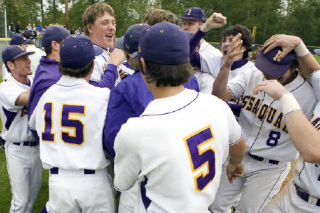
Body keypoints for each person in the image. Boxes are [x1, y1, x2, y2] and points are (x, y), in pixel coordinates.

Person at [113, 21, 246, 213]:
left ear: (143, 64)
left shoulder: (136, 129)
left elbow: (123, 183)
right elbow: (238, 145)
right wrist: (235, 163)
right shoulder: (217, 106)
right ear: (186, 63)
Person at [209, 33, 316, 212]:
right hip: (238, 156)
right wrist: (226, 65)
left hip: (270, 167)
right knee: (214, 205)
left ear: (293, 65)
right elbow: (219, 97)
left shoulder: (308, 94)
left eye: (277, 70)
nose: (268, 74)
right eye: (267, 67)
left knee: (248, 210)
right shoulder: (253, 73)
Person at [29, 35, 115, 213]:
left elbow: (33, 126)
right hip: (93, 180)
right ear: (92, 65)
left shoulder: (47, 94)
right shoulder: (101, 96)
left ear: (60, 63)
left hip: (58, 181)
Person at [250, 34, 320, 213]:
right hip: (294, 192)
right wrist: (298, 44)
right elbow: (313, 72)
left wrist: (285, 97)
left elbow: (313, 151)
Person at [1, 45, 42, 213]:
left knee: (31, 200)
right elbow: (26, 98)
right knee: (20, 202)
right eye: (23, 59)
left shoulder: (33, 82)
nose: (28, 61)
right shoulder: (5, 87)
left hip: (37, 148)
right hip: (17, 150)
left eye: (28, 57)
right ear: (10, 65)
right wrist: (44, 79)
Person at [83, 2, 130, 86]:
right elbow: (94, 95)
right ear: (90, 28)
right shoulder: (87, 57)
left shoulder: (112, 52)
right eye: (105, 23)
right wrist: (113, 64)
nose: (112, 27)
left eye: (113, 23)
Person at [182, 7, 222, 80]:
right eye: (184, 23)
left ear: (202, 25)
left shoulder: (214, 54)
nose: (185, 27)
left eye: (190, 24)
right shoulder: (177, 48)